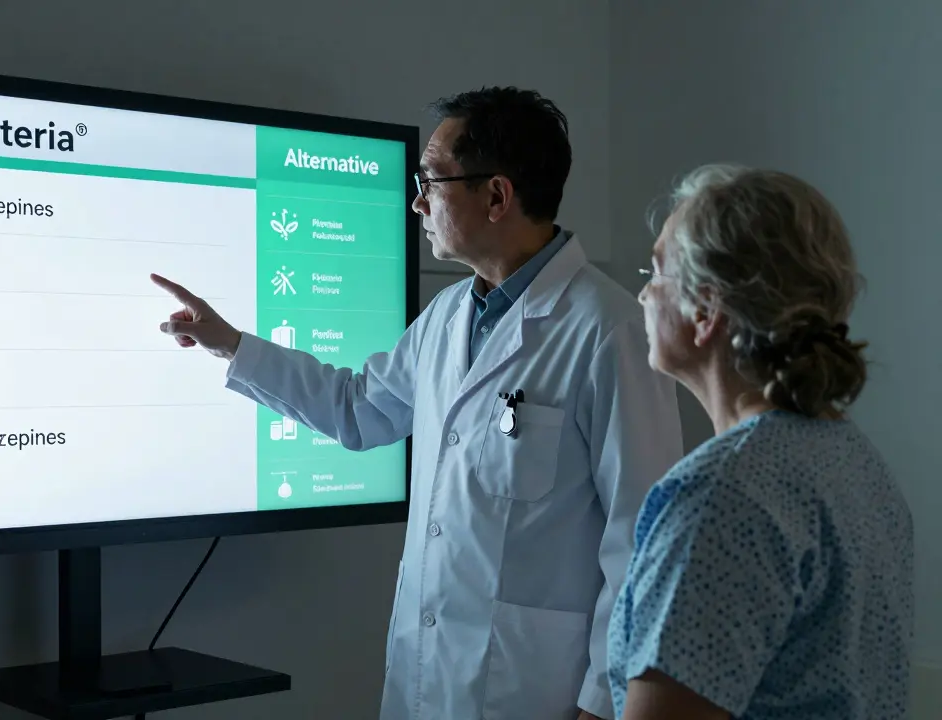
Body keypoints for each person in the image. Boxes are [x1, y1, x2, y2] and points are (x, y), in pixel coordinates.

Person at [152, 87, 684, 720]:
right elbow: (359, 409)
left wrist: (604, 703)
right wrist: (231, 345)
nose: (417, 202)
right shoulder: (449, 315)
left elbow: (647, 539)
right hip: (425, 681)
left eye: (430, 181)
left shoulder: (609, 331)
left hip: (537, 693)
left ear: (496, 196)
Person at [608, 164, 916, 719]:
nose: (643, 293)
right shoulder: (854, 461)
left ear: (706, 311)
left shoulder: (721, 497)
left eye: (656, 271)